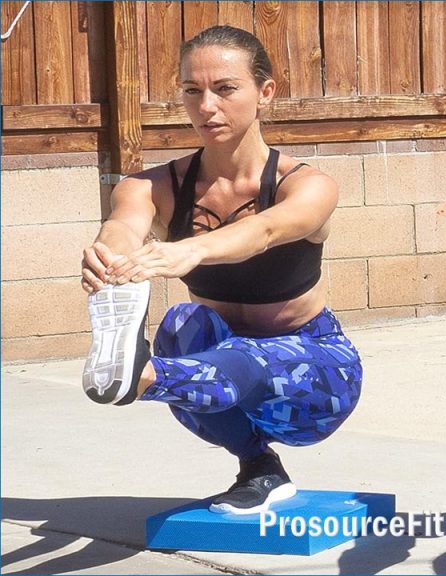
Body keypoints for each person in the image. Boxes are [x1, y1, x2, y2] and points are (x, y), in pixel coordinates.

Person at [79, 25, 362, 515]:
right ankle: (259, 468)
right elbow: (124, 223)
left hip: (315, 377)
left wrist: (192, 250)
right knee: (181, 324)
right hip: (217, 384)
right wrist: (112, 257)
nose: (207, 106)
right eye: (193, 91)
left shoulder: (308, 185)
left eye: (225, 89)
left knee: (244, 358)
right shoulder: (153, 185)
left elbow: (266, 230)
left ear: (265, 93)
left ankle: (140, 377)